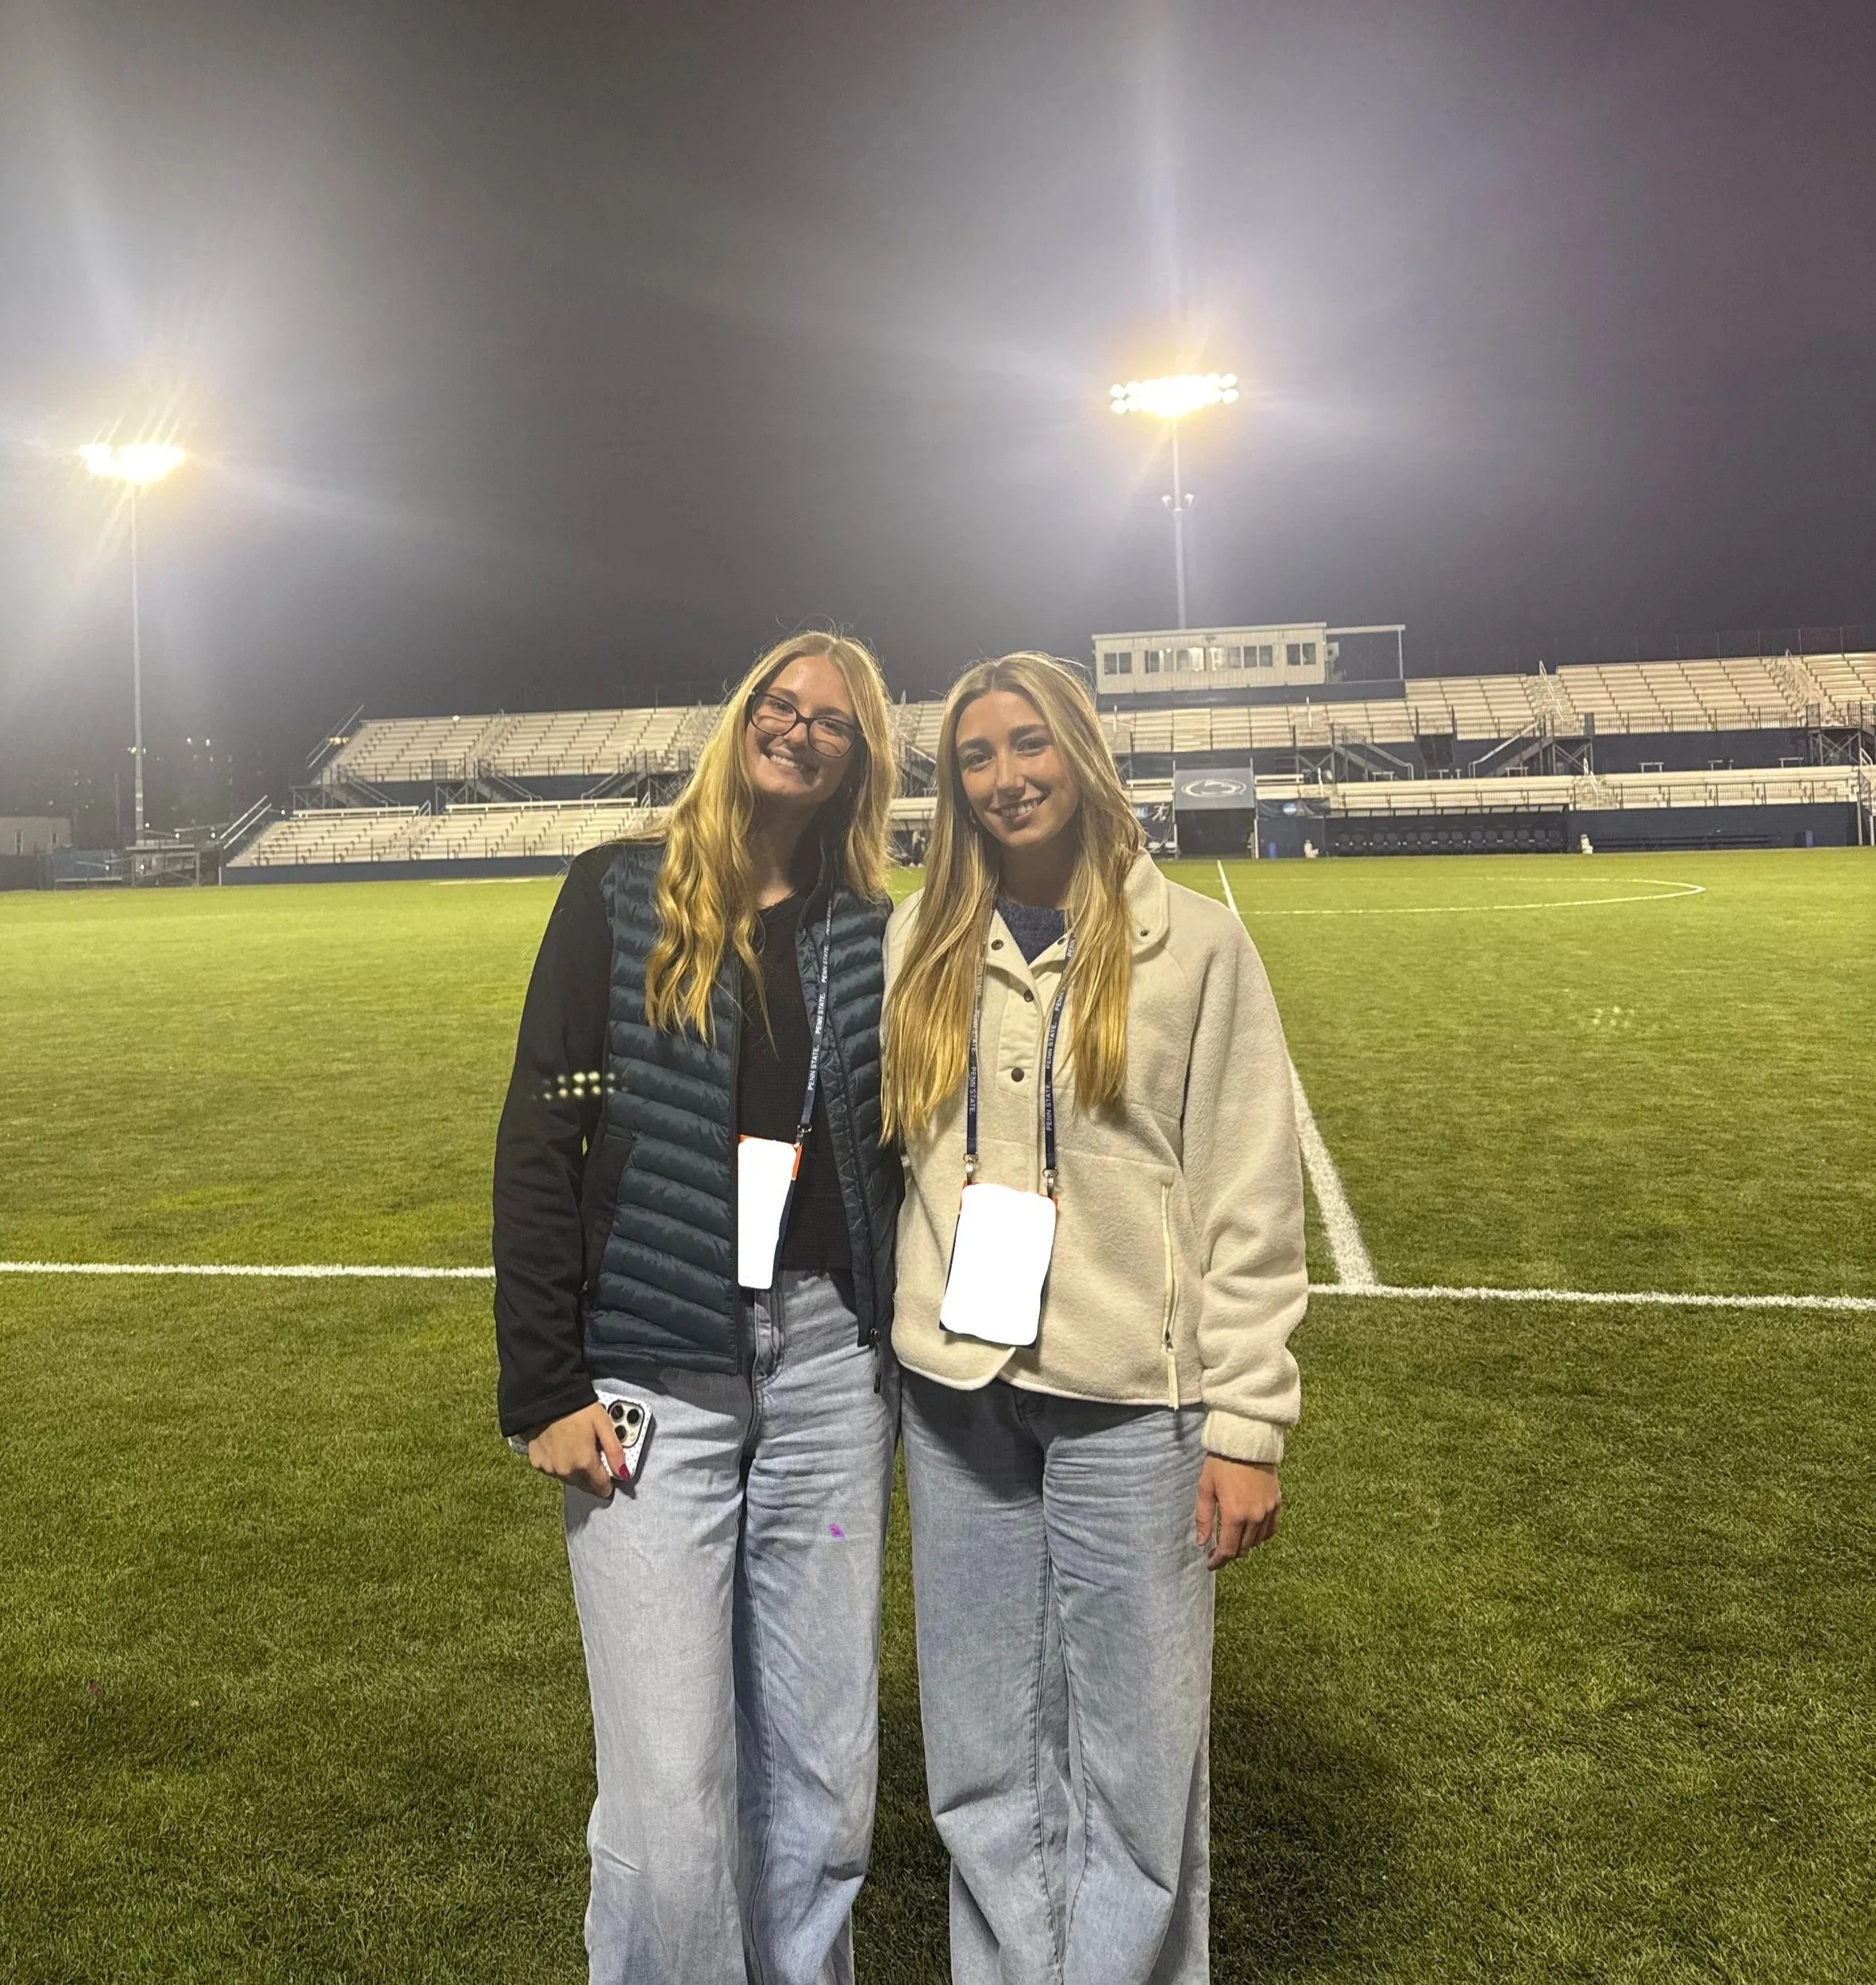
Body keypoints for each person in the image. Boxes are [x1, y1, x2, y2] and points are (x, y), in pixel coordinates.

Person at [881, 653, 1307, 1985]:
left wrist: (1248, 1419)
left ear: (1080, 750)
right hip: (958, 1408)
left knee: (1139, 1756)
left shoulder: (1198, 946)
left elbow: (1249, 1192)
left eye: (1029, 745)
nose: (1006, 777)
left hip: (1139, 1399)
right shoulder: (919, 944)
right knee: (982, 1751)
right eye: (976, 758)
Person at [493, 632, 903, 1985]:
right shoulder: (620, 891)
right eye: (778, 705)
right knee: (671, 1798)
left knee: (822, 1777)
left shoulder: (867, 930)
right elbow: (539, 1137)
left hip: (829, 1382)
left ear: (858, 758)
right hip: (648, 1380)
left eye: (829, 721)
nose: (797, 728)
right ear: (741, 723)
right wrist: (543, 1384)